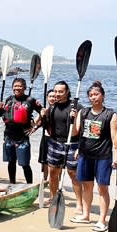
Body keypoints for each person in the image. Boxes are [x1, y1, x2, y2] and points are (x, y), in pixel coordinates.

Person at [71, 81, 117, 232]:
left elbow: (115, 139)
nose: (93, 97)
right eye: (90, 95)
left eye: (96, 94)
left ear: (103, 96)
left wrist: (116, 158)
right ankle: (86, 215)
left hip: (103, 156)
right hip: (85, 155)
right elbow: (75, 133)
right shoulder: (83, 112)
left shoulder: (110, 114)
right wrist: (71, 119)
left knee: (102, 188)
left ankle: (102, 220)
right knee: (86, 186)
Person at [42, 82, 83, 211]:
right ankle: (53, 198)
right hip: (55, 143)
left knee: (73, 174)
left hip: (72, 143)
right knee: (53, 173)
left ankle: (79, 203)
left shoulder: (76, 106)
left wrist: (75, 118)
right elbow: (48, 128)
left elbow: (79, 130)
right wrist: (43, 116)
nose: (57, 94)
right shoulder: (52, 107)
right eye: (55, 91)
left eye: (60, 91)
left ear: (67, 92)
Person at [0, 78, 42, 184]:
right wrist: (0, 109)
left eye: (20, 86)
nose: (17, 88)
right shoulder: (9, 99)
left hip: (22, 137)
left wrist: (35, 126)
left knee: (25, 164)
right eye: (15, 86)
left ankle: (29, 185)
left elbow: (43, 113)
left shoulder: (31, 100)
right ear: (12, 87)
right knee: (11, 162)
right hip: (8, 136)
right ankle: (12, 184)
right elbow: (3, 115)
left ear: (25, 87)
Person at [37, 89, 56, 180]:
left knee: (56, 163)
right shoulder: (45, 110)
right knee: (43, 161)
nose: (52, 98)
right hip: (46, 138)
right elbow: (35, 124)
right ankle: (44, 180)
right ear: (47, 98)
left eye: (54, 96)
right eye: (50, 96)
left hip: (57, 139)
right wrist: (39, 111)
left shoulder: (61, 110)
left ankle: (56, 181)